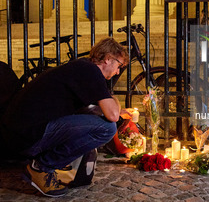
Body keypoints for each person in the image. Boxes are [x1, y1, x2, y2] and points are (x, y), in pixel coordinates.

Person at [0, 37, 133, 197]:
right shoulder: (91, 71)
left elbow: (92, 110)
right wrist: (115, 102)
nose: (118, 71)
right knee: (106, 128)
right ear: (107, 59)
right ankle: (42, 167)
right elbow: (112, 116)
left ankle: (52, 165)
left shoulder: (82, 67)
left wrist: (115, 108)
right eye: (119, 65)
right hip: (27, 136)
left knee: (94, 118)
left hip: (19, 134)